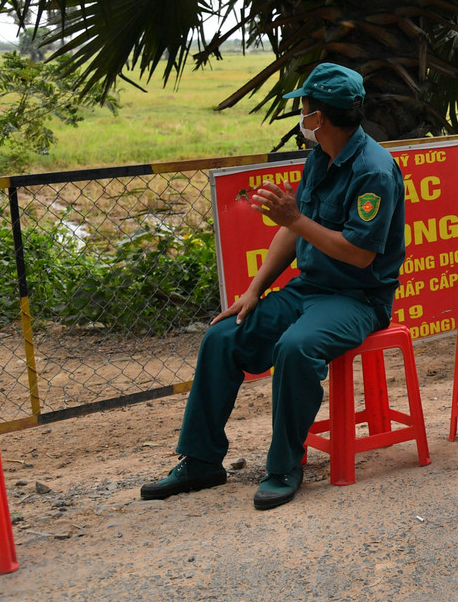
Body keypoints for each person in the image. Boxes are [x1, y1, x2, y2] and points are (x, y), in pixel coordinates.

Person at [141, 63, 407, 510]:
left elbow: (360, 254)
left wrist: (296, 219)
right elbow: (291, 231)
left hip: (358, 298)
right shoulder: (320, 155)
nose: (301, 114)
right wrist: (253, 291)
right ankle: (201, 461)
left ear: (319, 116)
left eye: (305, 106)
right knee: (224, 336)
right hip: (310, 289)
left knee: (295, 348)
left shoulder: (374, 171)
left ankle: (285, 466)